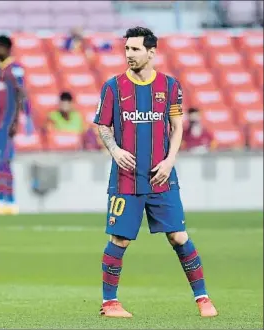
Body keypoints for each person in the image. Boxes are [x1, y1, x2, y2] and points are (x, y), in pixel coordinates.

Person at [93, 27, 218, 318]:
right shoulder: (113, 86)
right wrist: (115, 150)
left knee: (179, 236)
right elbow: (102, 124)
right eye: (126, 49)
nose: (128, 55)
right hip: (126, 179)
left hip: (162, 177)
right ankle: (110, 303)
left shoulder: (170, 86)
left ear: (151, 52)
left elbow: (177, 127)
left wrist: (170, 160)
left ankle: (203, 299)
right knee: (120, 239)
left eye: (135, 49)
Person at [0, 35, 31, 216]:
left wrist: (17, 121)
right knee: (0, 162)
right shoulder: (0, 71)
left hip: (7, 124)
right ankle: (5, 199)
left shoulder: (14, 69)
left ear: (4, 48)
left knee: (3, 161)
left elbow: (21, 94)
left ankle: (7, 201)